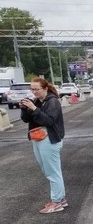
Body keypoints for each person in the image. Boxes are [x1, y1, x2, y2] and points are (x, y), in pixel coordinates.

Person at [20, 77, 68, 214]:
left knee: (53, 172)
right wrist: (24, 108)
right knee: (48, 170)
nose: (34, 92)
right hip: (38, 137)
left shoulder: (52, 102)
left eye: (37, 89)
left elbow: (49, 120)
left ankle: (57, 202)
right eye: (32, 89)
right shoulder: (37, 101)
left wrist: (34, 108)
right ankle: (60, 199)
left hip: (49, 139)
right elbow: (26, 119)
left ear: (45, 88)